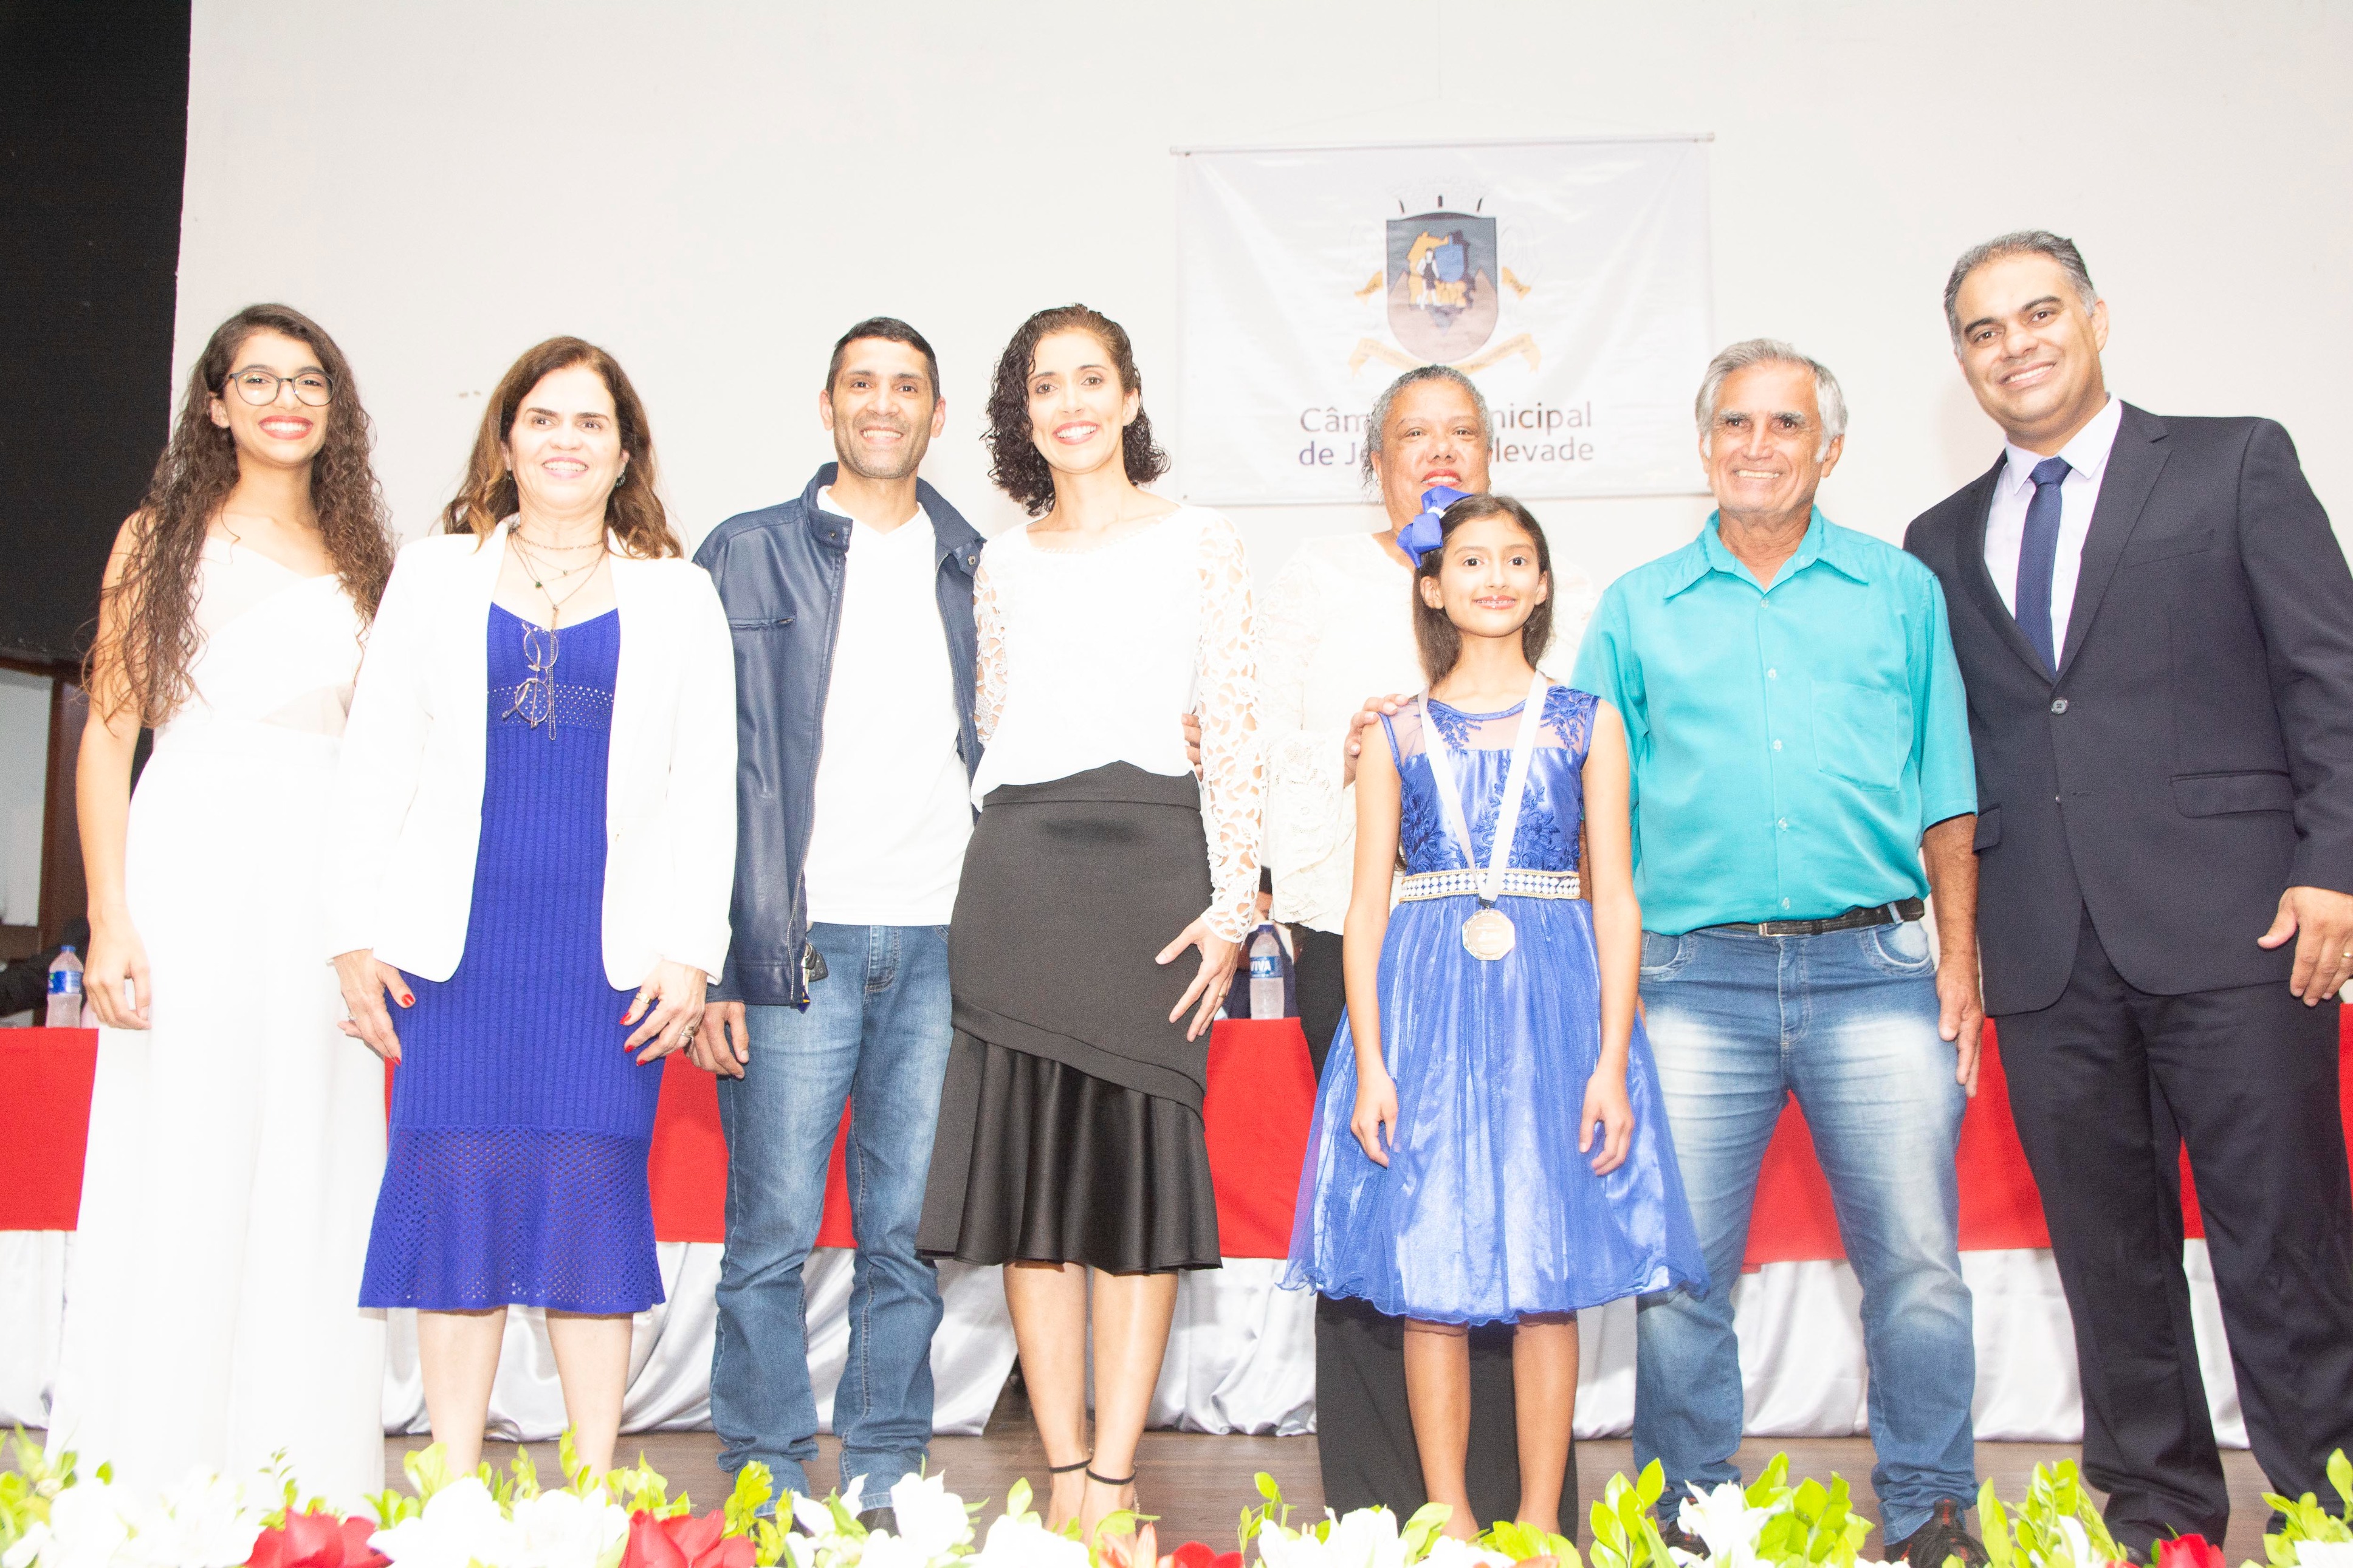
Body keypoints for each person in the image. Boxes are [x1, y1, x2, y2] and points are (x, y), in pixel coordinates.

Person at [1905, 231, 2353, 1553]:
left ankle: (2330, 1513)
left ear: (2097, 319)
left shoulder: (2233, 462)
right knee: (2108, 1260)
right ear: (1962, 363)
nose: (2015, 345)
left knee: (2284, 1241)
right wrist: (1962, 942)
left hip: (2244, 928)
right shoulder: (1938, 538)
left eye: (2039, 313)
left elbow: (2330, 676)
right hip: (2045, 949)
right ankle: (2163, 1516)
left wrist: (2334, 864)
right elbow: (1961, 748)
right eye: (1983, 331)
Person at [1575, 340, 1987, 1566]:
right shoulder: (1637, 607)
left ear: (1830, 448)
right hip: (1691, 980)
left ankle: (1930, 1511)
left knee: (1918, 1269)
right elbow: (1594, 816)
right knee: (1681, 1278)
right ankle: (1690, 1515)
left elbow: (1948, 791)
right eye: (1736, 423)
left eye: (1786, 424)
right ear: (1706, 444)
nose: (1758, 445)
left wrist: (1959, 960)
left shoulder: (1899, 591)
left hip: (1879, 972)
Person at [326, 337, 735, 1478]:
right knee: (456, 1210)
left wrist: (692, 952)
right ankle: (455, 1489)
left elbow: (708, 787)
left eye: (591, 422)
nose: (566, 440)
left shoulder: (679, 594)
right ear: (505, 441)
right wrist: (351, 933)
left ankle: (592, 1491)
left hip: (608, 968)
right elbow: (374, 763)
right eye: (542, 418)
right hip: (452, 961)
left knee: (593, 1214)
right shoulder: (431, 576)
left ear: (625, 452)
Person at [1285, 493, 1704, 1540]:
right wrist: (1370, 1061)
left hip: (1550, 1009)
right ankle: (1455, 1524)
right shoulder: (1395, 732)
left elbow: (1617, 898)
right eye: (1472, 560)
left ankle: (1541, 1528)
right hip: (1425, 1009)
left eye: (1518, 559)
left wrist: (1611, 1056)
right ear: (1432, 587)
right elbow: (1366, 909)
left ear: (1545, 583)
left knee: (1547, 1273)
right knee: (1431, 1273)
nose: (1497, 577)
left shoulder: (1586, 722)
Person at [913, 304, 1260, 1540]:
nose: (1070, 403)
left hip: (1153, 878)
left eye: (1090, 379)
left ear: (1128, 398)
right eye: (1046, 385)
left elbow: (1235, 722)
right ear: (1025, 414)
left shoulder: (1203, 539)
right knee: (1033, 1195)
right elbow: (997, 719)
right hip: (1019, 875)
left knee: (1134, 1188)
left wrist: (1233, 903)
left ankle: (1115, 1480)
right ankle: (1062, 1475)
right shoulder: (1002, 562)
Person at [49, 304, 396, 1499]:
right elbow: (109, 735)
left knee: (314, 1151)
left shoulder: (370, 563)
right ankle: (151, 1474)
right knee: (181, 1145)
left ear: (335, 408)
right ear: (215, 404)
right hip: (189, 857)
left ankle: (297, 1481)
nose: (285, 400)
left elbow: (385, 760)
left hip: (321, 877)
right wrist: (111, 916)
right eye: (259, 380)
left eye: (309, 381)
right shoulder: (159, 538)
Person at [1260, 365, 1585, 1524]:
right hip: (1368, 941)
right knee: (1390, 1212)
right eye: (1414, 434)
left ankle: (1520, 1506)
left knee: (1526, 1217)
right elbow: (1256, 749)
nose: (1439, 451)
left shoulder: (1523, 585)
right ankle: (1387, 1509)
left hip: (1526, 954)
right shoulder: (1317, 579)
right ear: (1377, 460)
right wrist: (1350, 750)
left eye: (1462, 432)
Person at [686, 318, 983, 1518]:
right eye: (862, 383)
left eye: (906, 386)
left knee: (905, 1233)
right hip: (791, 945)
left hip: (942, 941)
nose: (882, 403)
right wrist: (713, 960)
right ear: (827, 405)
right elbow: (695, 768)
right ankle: (763, 1466)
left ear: (937, 415)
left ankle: (883, 1468)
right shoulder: (745, 552)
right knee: (769, 1228)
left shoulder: (978, 564)